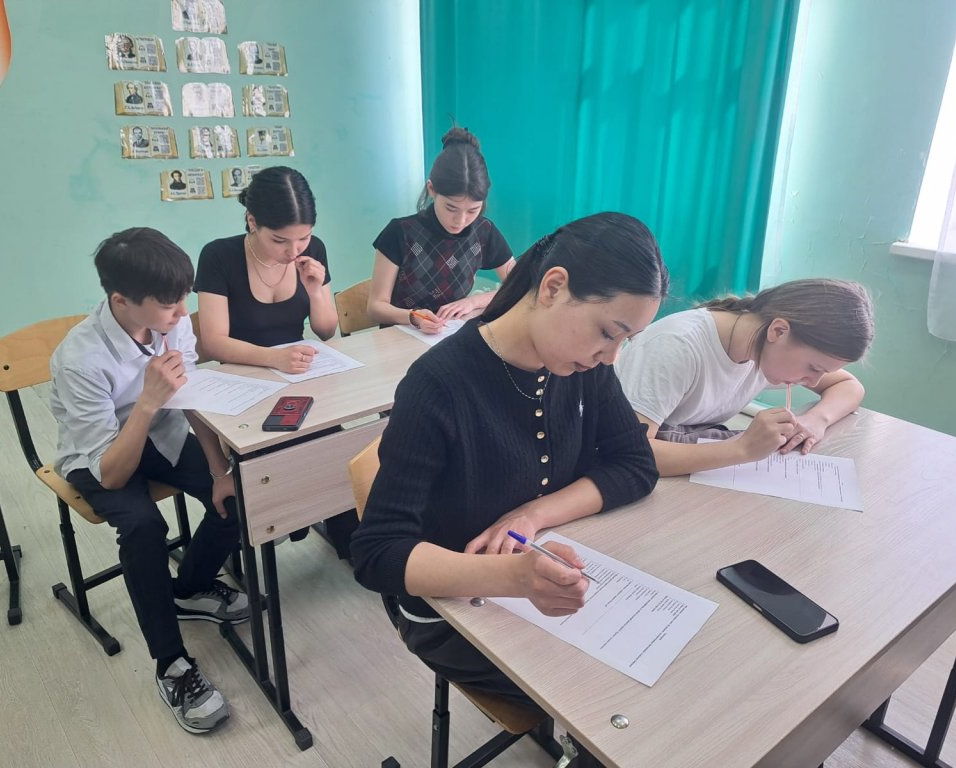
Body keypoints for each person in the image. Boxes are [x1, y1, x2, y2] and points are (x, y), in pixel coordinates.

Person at [352, 212, 665, 715]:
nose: (611, 357)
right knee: (619, 703)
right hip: (452, 610)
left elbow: (636, 465)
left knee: (659, 680)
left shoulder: (581, 365)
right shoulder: (439, 384)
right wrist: (513, 578)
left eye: (625, 340)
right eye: (609, 332)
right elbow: (378, 553)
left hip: (542, 581)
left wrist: (532, 515)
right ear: (553, 287)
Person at [50, 227, 248, 734]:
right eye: (169, 305)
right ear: (121, 301)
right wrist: (148, 400)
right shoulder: (80, 359)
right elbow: (112, 472)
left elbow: (190, 397)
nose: (183, 314)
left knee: (238, 494)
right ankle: (171, 665)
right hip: (99, 456)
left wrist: (219, 471)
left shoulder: (170, 323)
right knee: (143, 527)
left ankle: (190, 589)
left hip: (163, 429)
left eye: (185, 299)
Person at [614, 278, 874, 477]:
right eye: (814, 368)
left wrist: (816, 420)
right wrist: (742, 450)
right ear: (778, 331)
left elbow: (849, 386)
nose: (813, 381)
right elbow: (630, 452)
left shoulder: (763, 347)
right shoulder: (676, 346)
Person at [367, 127, 515, 335]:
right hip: (401, 337)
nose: (460, 221)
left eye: (473, 210)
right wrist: (414, 317)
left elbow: (520, 285)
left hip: (450, 336)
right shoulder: (400, 232)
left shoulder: (484, 231)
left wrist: (473, 301)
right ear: (431, 189)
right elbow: (375, 308)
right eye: (451, 208)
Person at [196, 165, 337, 372]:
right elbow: (214, 344)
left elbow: (327, 332)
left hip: (295, 370)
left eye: (304, 238)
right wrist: (273, 358)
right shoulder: (218, 255)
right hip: (240, 374)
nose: (293, 251)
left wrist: (315, 293)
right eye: (279, 240)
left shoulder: (314, 248)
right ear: (252, 221)